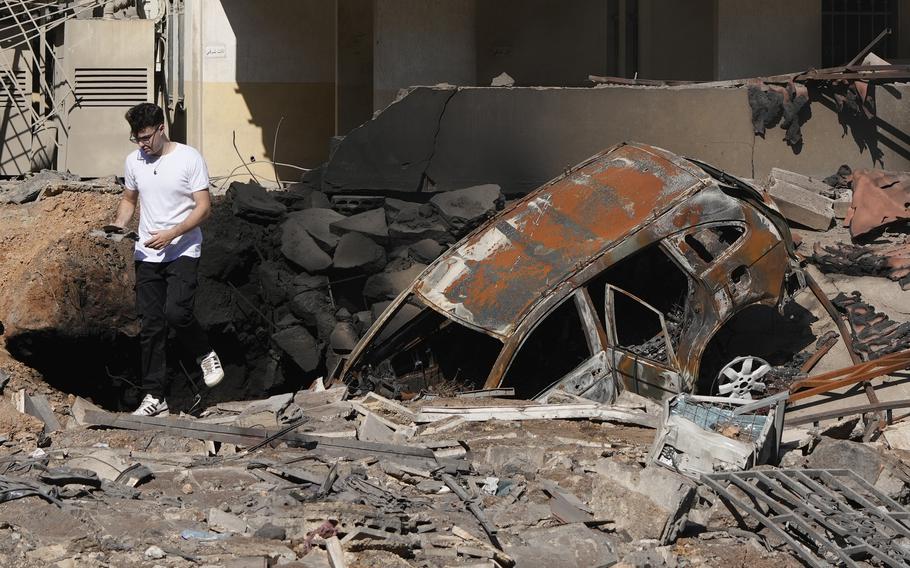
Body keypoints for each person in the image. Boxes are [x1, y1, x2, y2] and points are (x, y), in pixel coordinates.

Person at [111, 102, 224, 416]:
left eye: (147, 137)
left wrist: (173, 233)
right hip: (147, 253)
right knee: (150, 326)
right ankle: (154, 397)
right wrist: (119, 225)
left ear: (162, 128)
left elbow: (204, 207)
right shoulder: (134, 161)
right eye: (137, 138)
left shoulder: (188, 158)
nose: (143, 144)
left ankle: (204, 353)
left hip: (183, 249)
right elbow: (129, 199)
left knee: (176, 312)